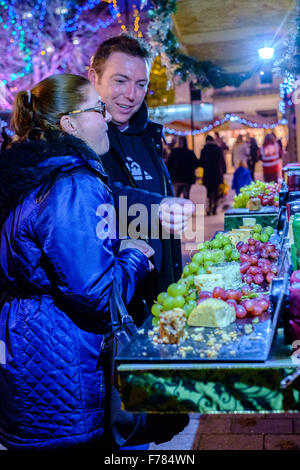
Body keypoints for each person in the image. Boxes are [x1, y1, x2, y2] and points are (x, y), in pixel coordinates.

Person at [0, 74, 189, 450]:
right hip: (64, 364)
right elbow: (97, 293)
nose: (106, 118)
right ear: (69, 123)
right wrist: (135, 255)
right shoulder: (71, 182)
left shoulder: (28, 174)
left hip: (33, 351)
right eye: (97, 109)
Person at [88, 33, 194, 323]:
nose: (131, 95)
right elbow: (95, 195)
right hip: (113, 311)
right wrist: (157, 208)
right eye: (120, 81)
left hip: (157, 301)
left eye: (141, 84)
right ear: (93, 77)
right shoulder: (81, 137)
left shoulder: (149, 136)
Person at [199, 135, 225, 215]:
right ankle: (214, 208)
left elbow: (201, 163)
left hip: (208, 174)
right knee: (216, 191)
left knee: (209, 192)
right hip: (217, 173)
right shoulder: (218, 149)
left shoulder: (204, 150)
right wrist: (223, 171)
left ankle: (209, 207)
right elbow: (222, 161)